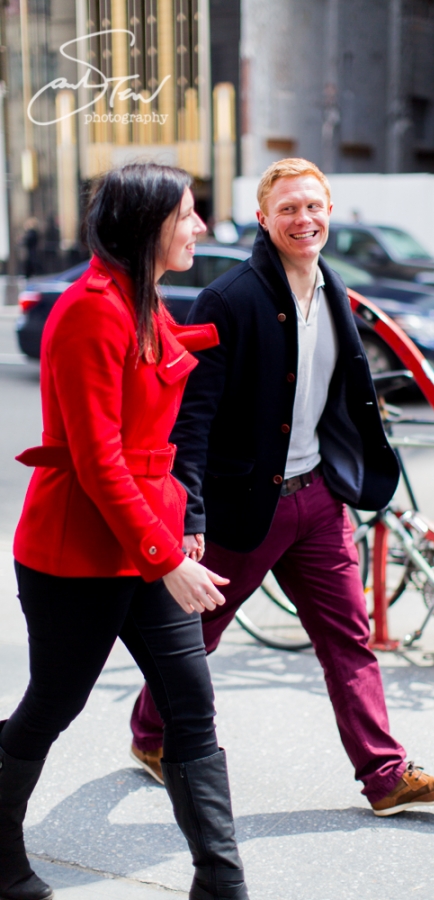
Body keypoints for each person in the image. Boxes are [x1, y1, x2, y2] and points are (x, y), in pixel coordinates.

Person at [130, 158, 434, 817]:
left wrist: (353, 467)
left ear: (329, 212)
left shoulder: (333, 286)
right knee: (200, 634)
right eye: (287, 208)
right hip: (243, 506)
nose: (303, 218)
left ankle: (385, 776)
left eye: (313, 206)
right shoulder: (227, 299)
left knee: (348, 638)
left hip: (318, 500)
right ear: (264, 219)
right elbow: (193, 418)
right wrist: (190, 514)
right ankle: (150, 734)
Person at [0, 164, 249, 900]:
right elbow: (99, 461)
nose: (200, 227)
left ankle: (222, 883)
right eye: (188, 214)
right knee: (54, 703)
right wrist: (166, 556)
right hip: (77, 551)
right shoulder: (89, 310)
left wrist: (181, 525)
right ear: (147, 226)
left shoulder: (141, 299)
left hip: (149, 540)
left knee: (191, 707)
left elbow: (170, 375)